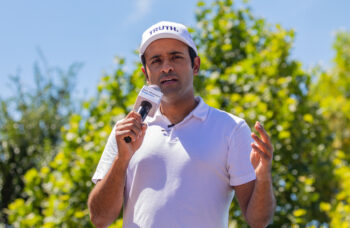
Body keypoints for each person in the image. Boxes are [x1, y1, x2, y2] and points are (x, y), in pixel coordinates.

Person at [88, 21, 276, 228]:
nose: (167, 67)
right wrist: (121, 160)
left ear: (195, 65)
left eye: (176, 57)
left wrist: (263, 176)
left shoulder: (231, 128)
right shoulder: (125, 131)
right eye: (156, 61)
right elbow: (100, 219)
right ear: (146, 73)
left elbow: (258, 222)